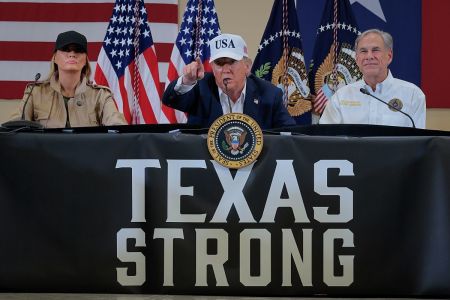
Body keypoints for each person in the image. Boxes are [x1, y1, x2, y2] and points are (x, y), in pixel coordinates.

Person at [162, 33, 296, 129]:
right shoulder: (200, 87)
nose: (225, 69)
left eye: (232, 62)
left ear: (247, 67)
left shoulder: (269, 93)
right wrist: (187, 80)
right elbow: (170, 100)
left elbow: (289, 135)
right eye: (219, 63)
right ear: (212, 68)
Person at [9, 30, 127, 128]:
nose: (72, 54)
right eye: (66, 49)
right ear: (54, 57)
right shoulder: (35, 92)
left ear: (85, 60)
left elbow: (118, 127)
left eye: (78, 50)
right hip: (44, 155)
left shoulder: (101, 95)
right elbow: (14, 129)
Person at [319, 29, 426, 128]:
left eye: (375, 50)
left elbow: (418, 143)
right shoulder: (340, 97)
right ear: (357, 59)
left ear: (389, 56)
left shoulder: (413, 95)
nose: (369, 56)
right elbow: (326, 139)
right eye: (363, 51)